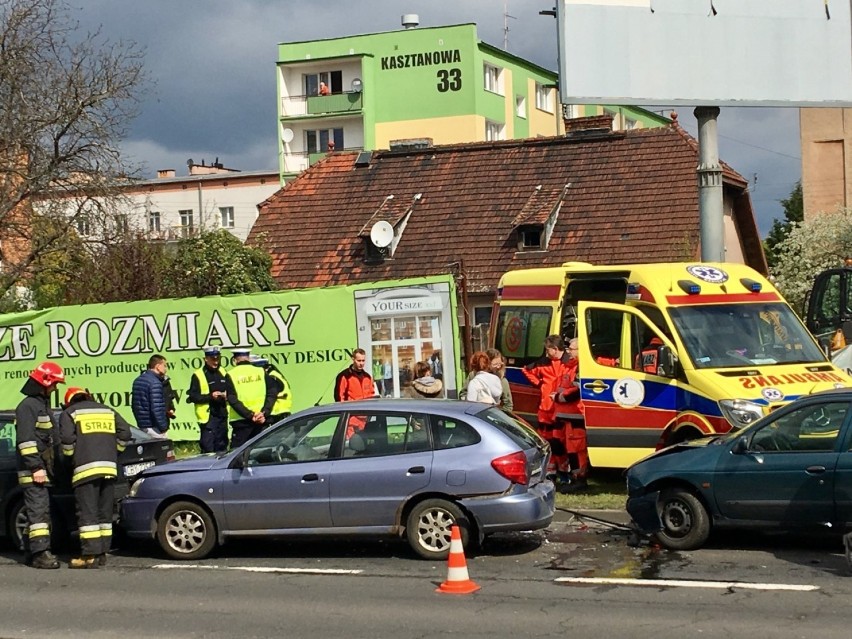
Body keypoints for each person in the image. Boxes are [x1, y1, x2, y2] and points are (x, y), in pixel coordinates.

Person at [60, 387, 131, 568]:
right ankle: (102, 554)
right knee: (104, 513)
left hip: (85, 470)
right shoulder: (107, 410)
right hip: (109, 469)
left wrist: (71, 457)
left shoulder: (70, 413)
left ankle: (89, 556)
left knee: (87, 514)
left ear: (69, 401)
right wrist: (115, 452)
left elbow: (67, 442)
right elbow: (125, 433)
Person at [15, 361, 65, 569]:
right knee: (39, 513)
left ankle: (29, 550)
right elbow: (26, 442)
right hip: (33, 471)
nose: (55, 388)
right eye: (54, 384)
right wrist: (35, 467)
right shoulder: (28, 407)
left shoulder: (41, 406)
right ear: (44, 382)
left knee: (38, 511)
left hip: (42, 470)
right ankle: (40, 554)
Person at [523, 335, 572, 481]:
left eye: (548, 349)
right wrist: (539, 384)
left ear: (555, 349)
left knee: (560, 441)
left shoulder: (569, 362)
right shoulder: (543, 363)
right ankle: (550, 470)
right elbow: (526, 370)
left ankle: (563, 469)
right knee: (546, 441)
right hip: (545, 408)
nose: (546, 352)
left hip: (562, 408)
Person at [555, 338, 590, 492]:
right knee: (572, 450)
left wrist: (558, 398)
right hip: (568, 416)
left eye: (572, 348)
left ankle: (580, 479)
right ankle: (575, 477)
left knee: (578, 450)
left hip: (576, 415)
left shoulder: (581, 368)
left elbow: (577, 391)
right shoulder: (571, 366)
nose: (568, 351)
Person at [225, 348, 277, 449]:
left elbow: (232, 399)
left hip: (242, 422)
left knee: (238, 455)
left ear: (235, 360)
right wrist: (264, 412)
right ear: (248, 358)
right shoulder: (260, 371)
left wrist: (250, 415)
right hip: (261, 420)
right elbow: (272, 392)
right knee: (262, 452)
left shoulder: (231, 374)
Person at [187, 346, 229, 454]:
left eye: (217, 359)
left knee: (222, 446)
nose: (216, 362)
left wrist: (226, 395)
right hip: (208, 417)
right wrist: (211, 397)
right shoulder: (198, 375)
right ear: (206, 359)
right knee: (208, 448)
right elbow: (193, 396)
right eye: (213, 359)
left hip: (222, 414)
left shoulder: (223, 371)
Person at [131, 354, 169, 438]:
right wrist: (163, 427)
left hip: (143, 426)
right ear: (158, 366)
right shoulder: (155, 383)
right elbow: (156, 409)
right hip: (154, 428)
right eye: (164, 366)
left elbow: (134, 405)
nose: (166, 369)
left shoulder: (137, 380)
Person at [253, 356, 293, 425]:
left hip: (276, 414)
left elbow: (271, 396)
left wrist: (263, 413)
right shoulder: (274, 374)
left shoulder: (271, 378)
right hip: (279, 413)